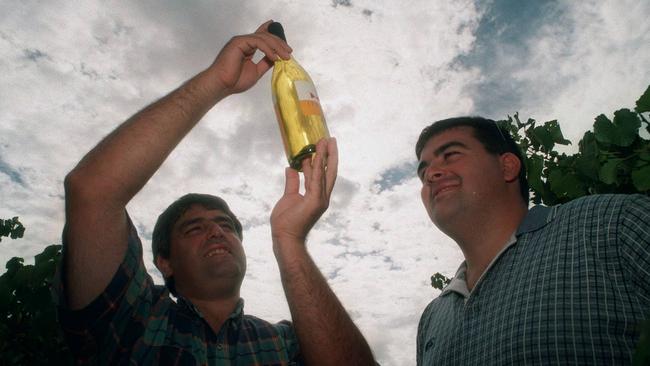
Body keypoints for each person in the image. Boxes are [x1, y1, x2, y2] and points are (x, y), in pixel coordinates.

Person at [53, 20, 376, 365]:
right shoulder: (135, 323)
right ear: (164, 262)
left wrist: (290, 240)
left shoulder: (285, 344)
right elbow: (91, 191)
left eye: (226, 225)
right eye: (194, 228)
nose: (216, 231)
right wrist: (217, 82)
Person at [414, 116, 650, 365]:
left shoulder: (611, 222)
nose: (430, 174)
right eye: (423, 171)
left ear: (507, 167)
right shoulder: (432, 319)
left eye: (451, 155)